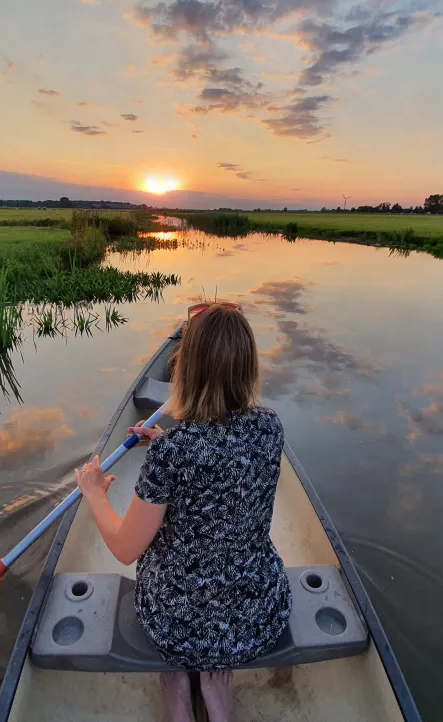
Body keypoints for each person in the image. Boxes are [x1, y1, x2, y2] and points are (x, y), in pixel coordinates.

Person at [76, 304, 291, 722]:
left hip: (178, 621)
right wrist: (162, 442)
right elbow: (221, 457)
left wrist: (94, 494)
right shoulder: (271, 427)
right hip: (255, 614)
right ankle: (217, 692)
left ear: (186, 371)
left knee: (152, 558)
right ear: (248, 367)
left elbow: (124, 547)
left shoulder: (174, 454)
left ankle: (177, 689)